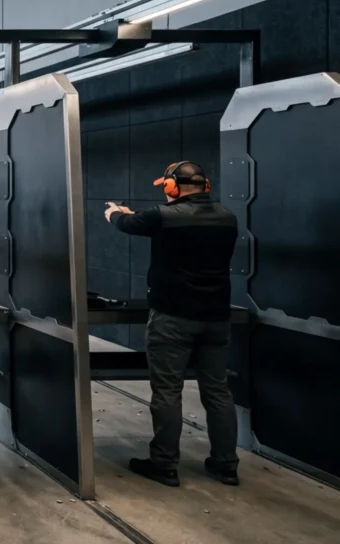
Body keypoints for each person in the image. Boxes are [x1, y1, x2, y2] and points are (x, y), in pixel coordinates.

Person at [105, 161, 240, 488]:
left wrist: (115, 213)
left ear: (172, 188)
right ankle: (226, 465)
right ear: (205, 186)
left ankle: (164, 464)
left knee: (167, 391)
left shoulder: (163, 216)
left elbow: (127, 223)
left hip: (173, 318)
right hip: (217, 318)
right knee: (218, 391)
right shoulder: (227, 217)